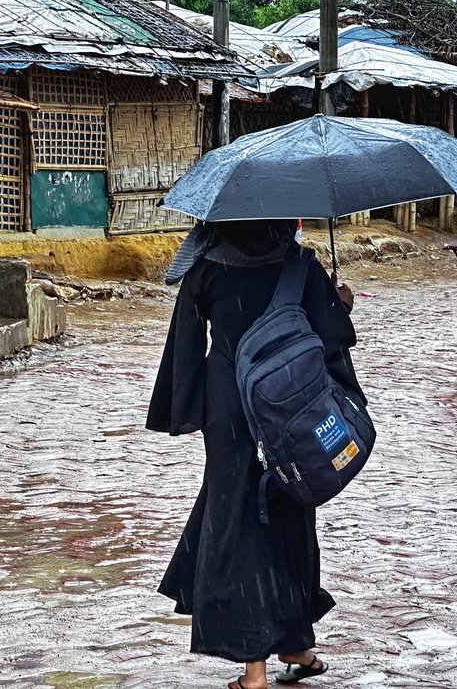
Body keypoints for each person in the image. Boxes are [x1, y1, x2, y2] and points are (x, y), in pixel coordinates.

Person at [148, 220, 363, 689]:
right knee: (288, 514)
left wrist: (186, 407)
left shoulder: (206, 266)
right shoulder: (299, 264)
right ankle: (292, 647)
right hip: (288, 408)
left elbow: (186, 343)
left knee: (235, 518)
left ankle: (262, 665)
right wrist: (338, 303)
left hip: (229, 408)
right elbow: (330, 340)